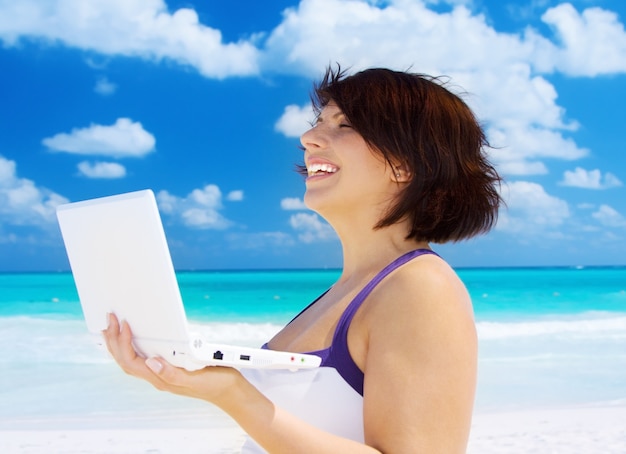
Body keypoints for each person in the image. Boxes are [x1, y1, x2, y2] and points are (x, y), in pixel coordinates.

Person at [104, 65, 502, 453]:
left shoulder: (421, 287)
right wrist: (191, 374)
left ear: (403, 164)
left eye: (343, 124)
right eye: (319, 121)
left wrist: (233, 394)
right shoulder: (350, 289)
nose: (309, 137)